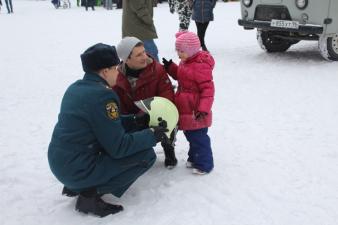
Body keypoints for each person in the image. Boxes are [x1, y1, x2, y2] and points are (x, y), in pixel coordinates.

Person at [48, 43, 169, 217]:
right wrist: (152, 135)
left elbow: (102, 124)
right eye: (115, 67)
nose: (119, 71)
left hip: (61, 162)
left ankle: (78, 184)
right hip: (78, 168)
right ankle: (90, 194)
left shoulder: (76, 88)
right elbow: (119, 147)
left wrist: (134, 120)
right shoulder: (103, 95)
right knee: (146, 156)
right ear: (105, 71)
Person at [113, 36, 178, 169]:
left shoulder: (157, 70)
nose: (145, 56)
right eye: (139, 55)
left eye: (144, 51)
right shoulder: (116, 77)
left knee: (168, 122)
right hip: (133, 119)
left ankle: (168, 146)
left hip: (156, 114)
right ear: (126, 59)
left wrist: (148, 113)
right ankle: (135, 152)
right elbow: (117, 106)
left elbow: (167, 97)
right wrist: (132, 120)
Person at [162, 31, 215, 175]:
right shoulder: (187, 61)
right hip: (186, 108)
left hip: (196, 111)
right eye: (177, 50)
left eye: (181, 51)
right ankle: (194, 158)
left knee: (199, 138)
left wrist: (203, 109)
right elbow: (182, 76)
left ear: (191, 50)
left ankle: (205, 164)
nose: (179, 54)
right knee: (191, 135)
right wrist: (171, 68)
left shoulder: (200, 66)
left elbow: (208, 90)